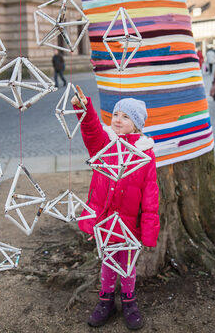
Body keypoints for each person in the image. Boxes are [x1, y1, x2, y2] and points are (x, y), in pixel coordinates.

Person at [71, 85, 159, 330]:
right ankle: (105, 301)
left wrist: (149, 230)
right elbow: (91, 130)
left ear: (137, 124)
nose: (118, 120)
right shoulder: (105, 143)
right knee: (109, 261)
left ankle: (129, 302)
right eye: (116, 115)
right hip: (106, 220)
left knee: (128, 263)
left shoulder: (145, 152)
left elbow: (151, 193)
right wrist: (84, 108)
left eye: (126, 117)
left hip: (130, 223)